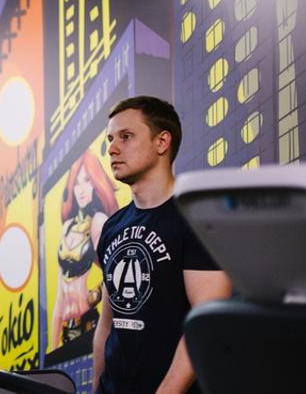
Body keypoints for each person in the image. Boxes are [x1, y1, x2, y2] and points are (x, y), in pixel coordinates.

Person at [93, 96, 231, 394]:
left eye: (126, 136)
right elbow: (107, 323)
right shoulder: (112, 227)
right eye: (110, 139)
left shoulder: (197, 219)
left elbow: (206, 325)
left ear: (162, 142)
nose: (112, 148)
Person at [50, 150, 119, 350]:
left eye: (87, 181)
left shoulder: (98, 221)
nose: (81, 189)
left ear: (95, 184)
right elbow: (59, 296)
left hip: (90, 324)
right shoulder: (67, 226)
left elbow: (116, 274)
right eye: (77, 183)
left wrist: (94, 296)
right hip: (67, 329)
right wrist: (52, 349)